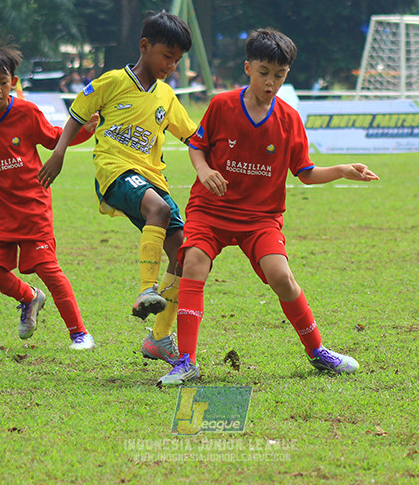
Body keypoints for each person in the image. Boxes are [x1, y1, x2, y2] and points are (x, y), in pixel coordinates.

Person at [157, 28, 379, 387]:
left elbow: (304, 172)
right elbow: (196, 145)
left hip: (261, 218)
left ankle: (318, 351)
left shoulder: (289, 119)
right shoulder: (221, 105)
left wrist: (341, 170)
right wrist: (204, 169)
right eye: (264, 72)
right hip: (210, 210)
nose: (271, 82)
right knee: (193, 263)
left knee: (281, 276)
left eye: (279, 75)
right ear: (248, 68)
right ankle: (186, 361)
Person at [38, 11, 199, 364]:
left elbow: (193, 135)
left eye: (177, 60)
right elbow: (78, 115)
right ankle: (146, 289)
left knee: (185, 256)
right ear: (145, 46)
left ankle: (158, 338)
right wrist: (59, 152)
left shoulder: (167, 97)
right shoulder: (111, 82)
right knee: (157, 209)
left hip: (152, 178)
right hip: (115, 172)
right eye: (166, 56)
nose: (171, 65)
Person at [0, 44, 98, 348]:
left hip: (31, 207)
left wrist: (85, 130)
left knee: (49, 268)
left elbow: (54, 139)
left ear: (14, 82)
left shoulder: (27, 112)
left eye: (3, 82)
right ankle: (29, 297)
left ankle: (79, 333)